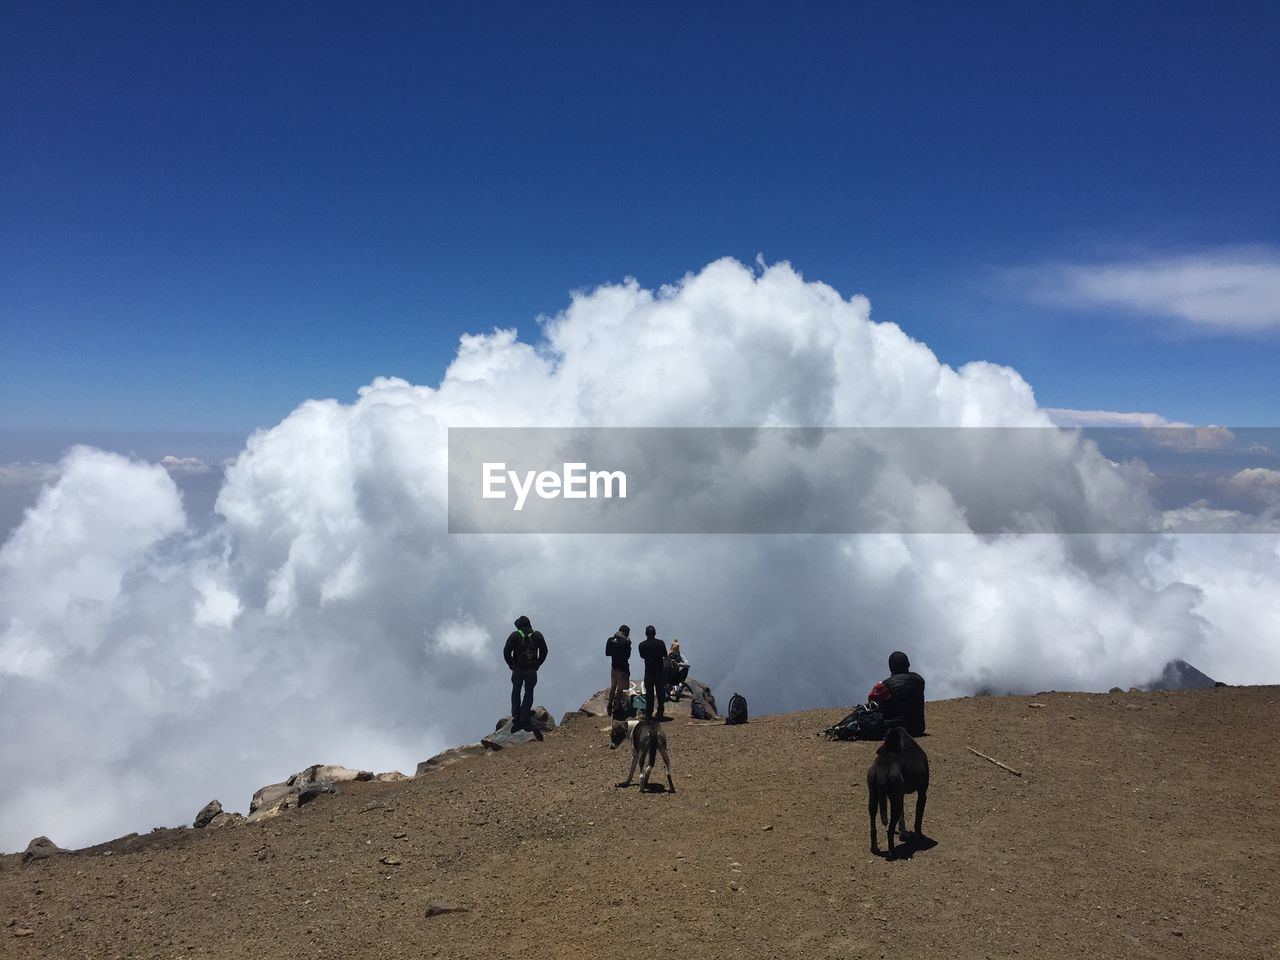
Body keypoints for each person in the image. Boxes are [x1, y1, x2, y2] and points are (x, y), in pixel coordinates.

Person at [503, 615, 548, 733]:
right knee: (529, 692)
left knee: (516, 690)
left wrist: (511, 665)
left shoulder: (514, 636)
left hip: (517, 670)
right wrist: (538, 664)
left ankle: (516, 715)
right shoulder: (537, 635)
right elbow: (544, 651)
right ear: (529, 624)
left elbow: (506, 651)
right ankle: (524, 715)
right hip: (531, 670)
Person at [867, 650, 926, 737]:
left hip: (895, 729)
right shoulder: (919, 680)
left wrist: (877, 687)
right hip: (918, 728)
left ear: (891, 667)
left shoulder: (886, 685)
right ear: (908, 664)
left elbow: (871, 700)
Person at [637, 625, 668, 719]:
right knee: (660, 691)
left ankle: (649, 713)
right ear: (655, 633)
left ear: (646, 634)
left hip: (649, 671)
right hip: (659, 671)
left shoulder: (642, 645)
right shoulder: (660, 643)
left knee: (649, 693)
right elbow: (664, 654)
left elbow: (642, 656)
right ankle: (660, 710)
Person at [605, 625, 632, 717]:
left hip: (614, 668)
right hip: (622, 669)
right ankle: (616, 709)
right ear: (625, 632)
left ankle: (609, 705)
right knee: (619, 690)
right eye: (628, 633)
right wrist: (628, 645)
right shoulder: (625, 642)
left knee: (613, 687)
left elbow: (607, 653)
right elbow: (627, 656)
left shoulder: (610, 640)